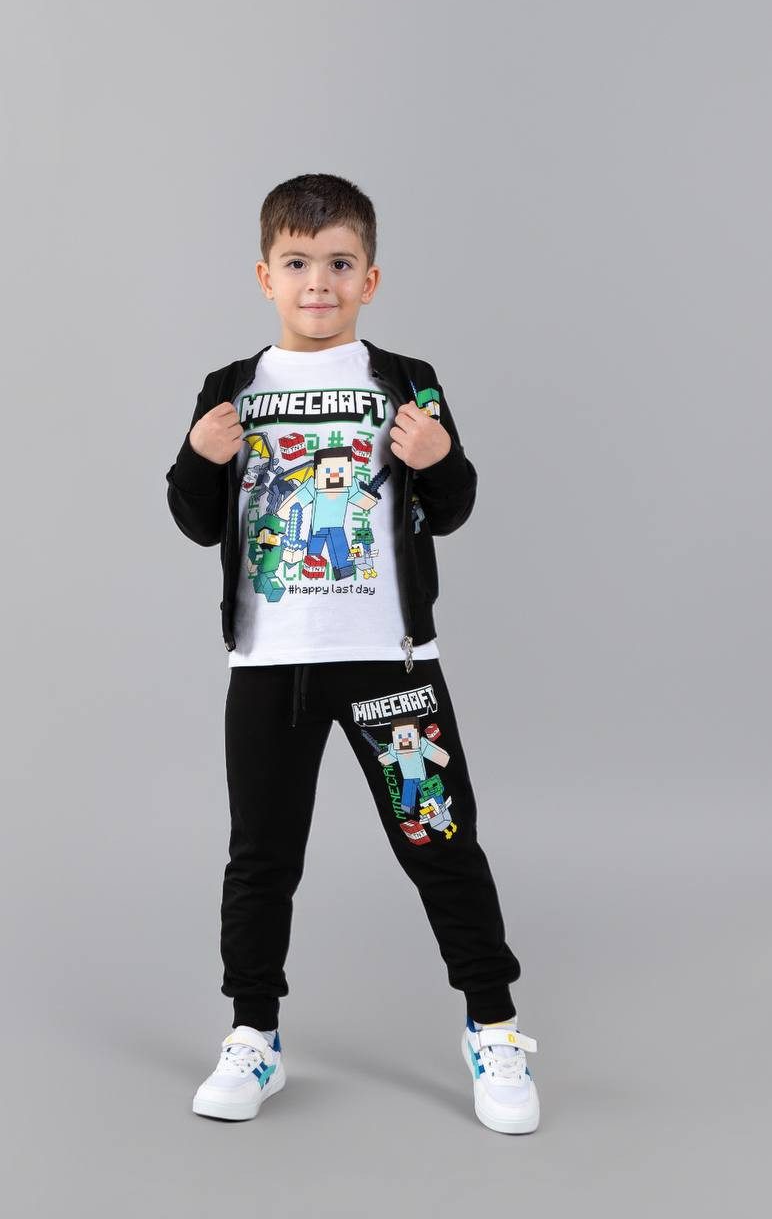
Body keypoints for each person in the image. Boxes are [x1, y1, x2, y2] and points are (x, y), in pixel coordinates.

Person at [165, 173, 540, 1134]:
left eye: (339, 264)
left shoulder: (408, 378)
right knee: (261, 857)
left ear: (370, 279)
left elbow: (451, 508)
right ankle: (254, 1036)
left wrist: (438, 460)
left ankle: (493, 1026)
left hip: (390, 660)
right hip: (270, 666)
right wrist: (200, 458)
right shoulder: (231, 386)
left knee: (441, 842)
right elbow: (195, 521)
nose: (318, 283)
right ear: (265, 276)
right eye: (297, 264)